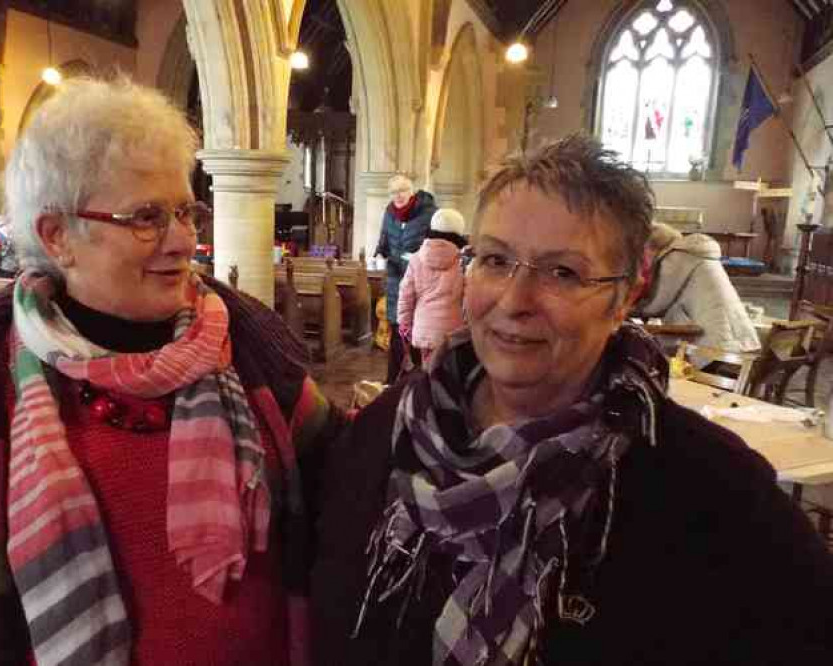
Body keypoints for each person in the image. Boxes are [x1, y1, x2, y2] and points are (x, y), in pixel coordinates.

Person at [0, 77, 344, 666]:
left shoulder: (250, 345)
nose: (182, 242)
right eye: (146, 217)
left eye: (184, 212)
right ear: (57, 236)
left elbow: (350, 488)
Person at [311, 135, 833, 666]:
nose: (515, 302)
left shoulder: (711, 491)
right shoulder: (386, 432)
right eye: (495, 260)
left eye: (563, 272)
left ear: (626, 294)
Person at [634, 222, 760, 354]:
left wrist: (628, 309)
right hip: (738, 335)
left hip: (715, 341)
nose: (644, 259)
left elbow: (659, 303)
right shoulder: (694, 255)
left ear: (652, 247)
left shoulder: (676, 258)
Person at [374, 173, 436, 383]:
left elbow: (436, 243)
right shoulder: (390, 212)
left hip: (419, 280)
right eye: (393, 192)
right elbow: (384, 237)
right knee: (396, 331)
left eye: (402, 190)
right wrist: (381, 252)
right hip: (395, 279)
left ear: (411, 191)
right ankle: (392, 380)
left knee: (417, 332)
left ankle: (420, 380)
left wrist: (418, 257)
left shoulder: (428, 212)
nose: (397, 196)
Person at [397, 208, 467, 363]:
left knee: (428, 372)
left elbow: (405, 295)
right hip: (454, 332)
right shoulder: (463, 261)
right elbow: (469, 301)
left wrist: (404, 323)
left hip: (424, 329)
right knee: (449, 376)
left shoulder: (416, 258)